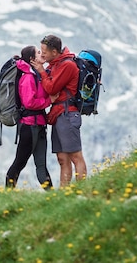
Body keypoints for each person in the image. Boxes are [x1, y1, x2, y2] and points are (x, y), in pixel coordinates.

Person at [31, 35, 87, 187]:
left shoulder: (67, 65)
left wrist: (42, 70)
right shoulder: (55, 65)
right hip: (58, 115)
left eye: (44, 52)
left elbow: (51, 88)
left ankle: (82, 189)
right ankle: (65, 194)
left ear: (54, 52)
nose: (42, 54)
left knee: (75, 156)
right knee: (62, 158)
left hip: (67, 114)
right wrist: (43, 67)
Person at [5, 45, 53, 190]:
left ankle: (54, 196)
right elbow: (29, 102)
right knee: (20, 162)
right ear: (32, 59)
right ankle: (7, 194)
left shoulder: (36, 74)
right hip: (28, 126)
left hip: (39, 126)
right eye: (39, 52)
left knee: (41, 164)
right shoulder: (27, 77)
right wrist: (49, 100)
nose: (42, 53)